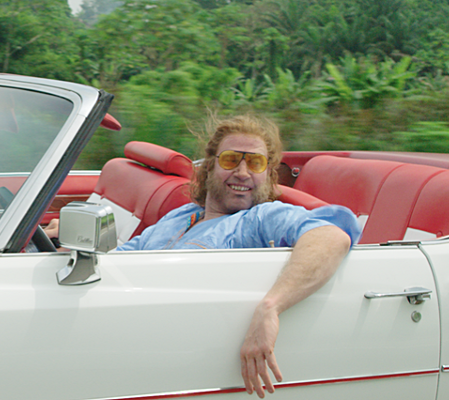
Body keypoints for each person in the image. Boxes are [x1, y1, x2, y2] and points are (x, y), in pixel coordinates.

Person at [48, 115, 360, 398]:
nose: (242, 172)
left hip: (179, 347)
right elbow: (120, 261)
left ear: (267, 174)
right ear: (209, 165)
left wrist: (272, 306)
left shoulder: (259, 219)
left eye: (255, 163)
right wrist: (69, 240)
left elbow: (331, 237)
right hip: (133, 327)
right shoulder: (183, 215)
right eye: (230, 159)